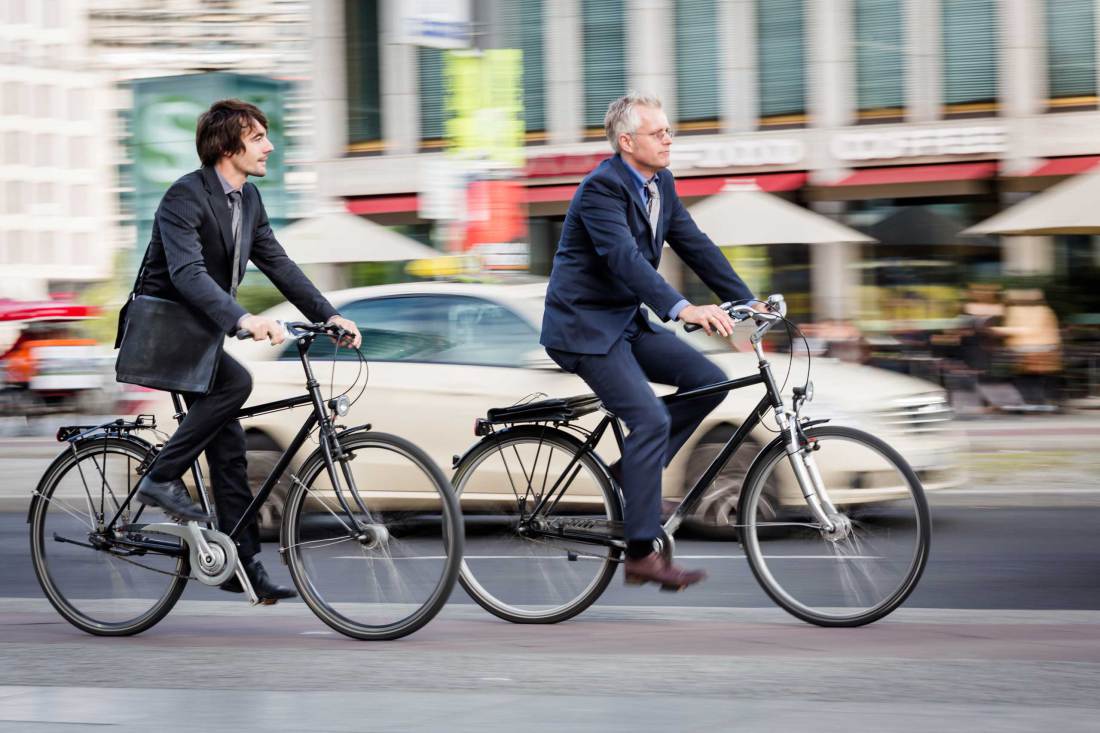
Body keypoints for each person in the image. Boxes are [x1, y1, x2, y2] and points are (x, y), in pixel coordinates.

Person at [117, 99, 362, 601]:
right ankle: (159, 477)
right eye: (257, 138)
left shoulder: (248, 199)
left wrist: (329, 315)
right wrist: (243, 319)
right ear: (228, 147)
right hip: (167, 333)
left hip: (200, 337)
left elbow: (279, 264)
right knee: (238, 383)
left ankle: (242, 565)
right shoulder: (185, 195)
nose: (269, 146)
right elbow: (187, 274)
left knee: (230, 452)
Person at [541, 92, 761, 591]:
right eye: (658, 132)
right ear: (626, 141)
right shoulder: (601, 189)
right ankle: (641, 555)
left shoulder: (661, 183)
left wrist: (747, 303)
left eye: (668, 131)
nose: (668, 139)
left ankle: (632, 475)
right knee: (650, 419)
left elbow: (695, 245)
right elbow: (624, 259)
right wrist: (683, 308)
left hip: (624, 322)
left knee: (708, 381)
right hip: (584, 329)